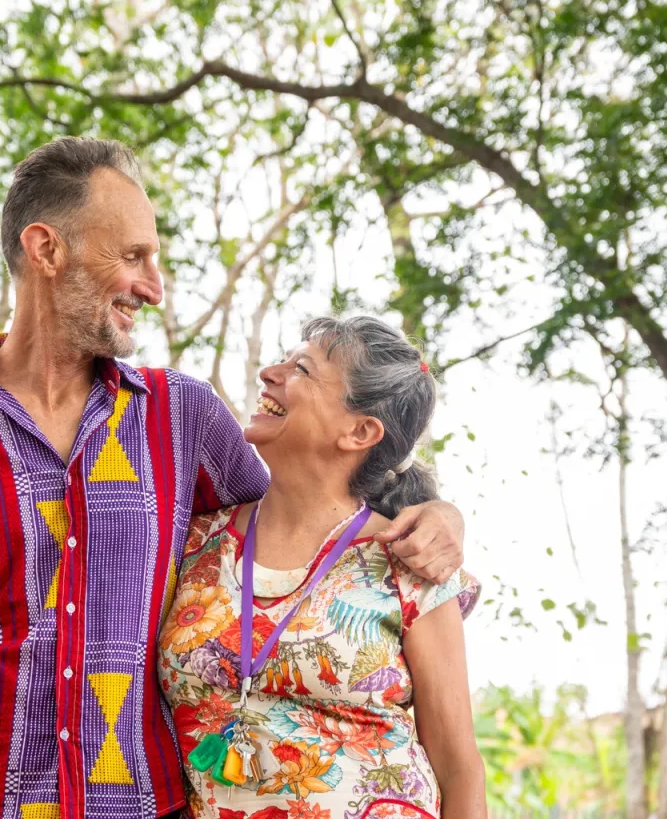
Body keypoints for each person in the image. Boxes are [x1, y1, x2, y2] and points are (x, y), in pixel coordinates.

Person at [0, 137, 467, 819]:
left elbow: (311, 517)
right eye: (134, 257)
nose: (154, 287)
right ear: (47, 250)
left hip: (137, 804)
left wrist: (441, 512)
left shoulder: (185, 418)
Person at [157, 316, 484, 819]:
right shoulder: (192, 541)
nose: (270, 372)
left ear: (359, 431)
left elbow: (459, 767)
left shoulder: (412, 559)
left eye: (301, 369)